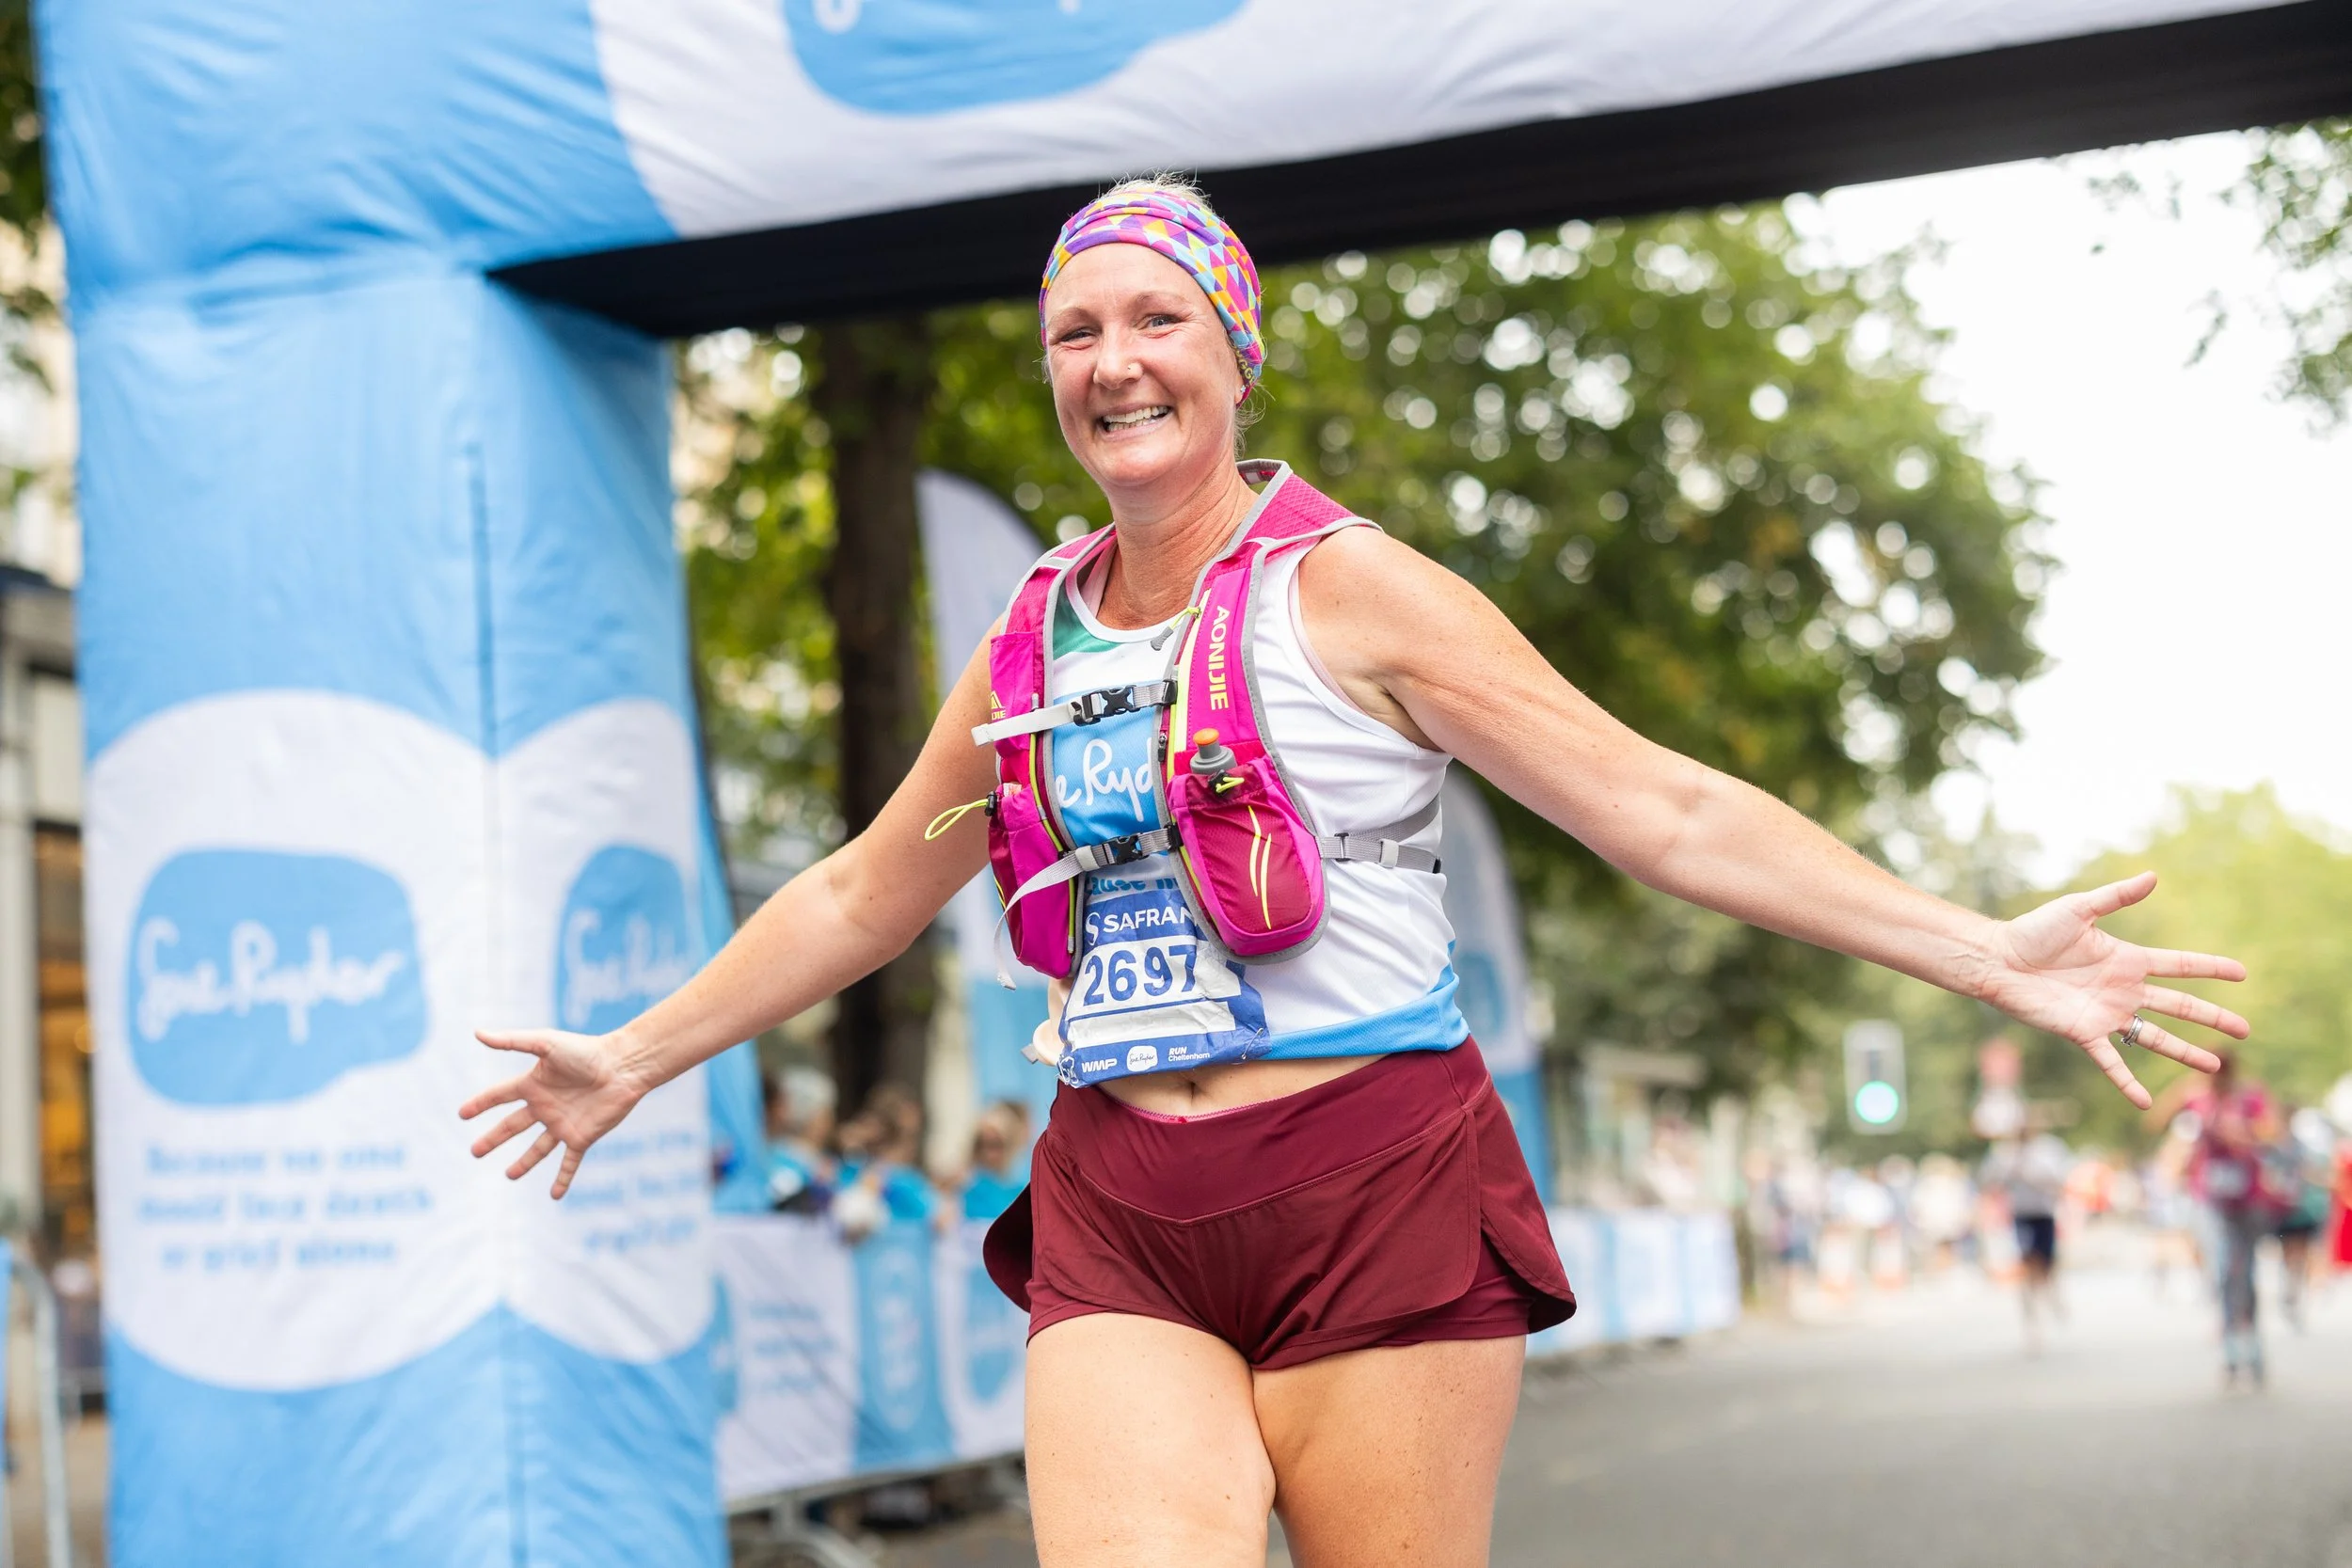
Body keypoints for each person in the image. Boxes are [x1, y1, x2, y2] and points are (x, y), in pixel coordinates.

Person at [464, 177, 2246, 1565]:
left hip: (1371, 1182)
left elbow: (1662, 809)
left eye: (1159, 315)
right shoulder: (1026, 635)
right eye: (1074, 330)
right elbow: (865, 888)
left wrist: (1977, 952)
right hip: (1119, 1198)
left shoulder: (1358, 589)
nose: (1113, 358)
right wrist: (635, 1052)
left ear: (1236, 351)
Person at [2153, 1051, 2280, 1386]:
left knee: (2247, 1275)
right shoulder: (2197, 1098)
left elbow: (2272, 1134)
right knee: (2223, 1272)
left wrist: (2243, 1134)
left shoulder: (2250, 1096)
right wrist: (2182, 1091)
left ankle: (2252, 1344)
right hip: (2210, 1199)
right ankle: (2230, 1348)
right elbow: (2156, 1119)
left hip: (2249, 1197)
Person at [1982, 1132, 2071, 1353]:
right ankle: (2032, 1323)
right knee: (2027, 1269)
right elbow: (1989, 1182)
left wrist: (2033, 1175)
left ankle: (2052, 1295)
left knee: (2047, 1266)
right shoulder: (2004, 1153)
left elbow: (2060, 1181)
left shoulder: (2047, 1149)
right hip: (2022, 1216)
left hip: (2044, 1214)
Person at [960, 1101, 1031, 1223]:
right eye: (982, 1145)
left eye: (996, 1146)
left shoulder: (1021, 1192)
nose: (988, 1154)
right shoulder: (964, 1188)